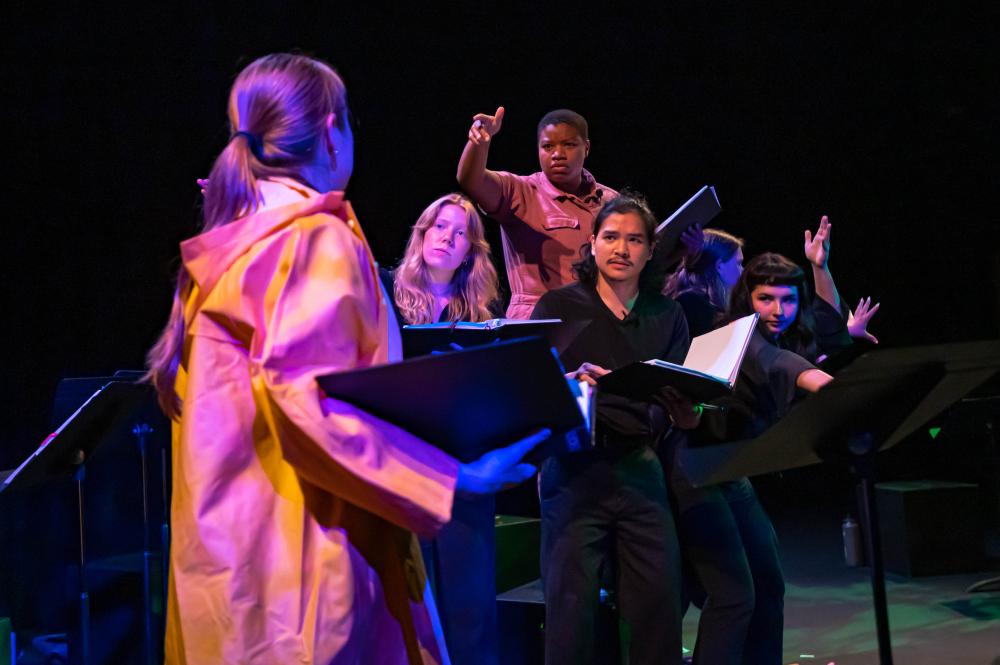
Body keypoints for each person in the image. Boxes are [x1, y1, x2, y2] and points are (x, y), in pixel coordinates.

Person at [145, 53, 545, 664]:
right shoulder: (309, 238)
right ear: (333, 129)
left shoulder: (232, 247)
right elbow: (311, 407)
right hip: (307, 578)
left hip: (233, 585)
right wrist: (458, 476)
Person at [665, 216, 865, 665]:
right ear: (747, 300)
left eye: (787, 300)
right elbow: (782, 364)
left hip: (731, 473)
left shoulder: (788, 329)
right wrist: (842, 395)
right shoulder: (740, 335)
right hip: (695, 473)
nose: (778, 309)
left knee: (767, 585)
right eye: (765, 299)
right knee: (733, 596)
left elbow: (828, 326)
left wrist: (819, 268)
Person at [530, 191, 694, 665]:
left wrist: (687, 414)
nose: (621, 248)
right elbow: (534, 387)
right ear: (594, 243)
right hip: (575, 468)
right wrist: (569, 383)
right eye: (611, 237)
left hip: (639, 468)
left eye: (634, 239)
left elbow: (677, 394)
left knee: (658, 606)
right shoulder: (560, 305)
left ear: (650, 250)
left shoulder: (667, 314)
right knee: (569, 611)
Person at [379, 192, 503, 665]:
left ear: (470, 252)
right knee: (407, 604)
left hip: (461, 465)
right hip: (397, 462)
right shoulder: (384, 291)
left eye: (460, 235)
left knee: (471, 610)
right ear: (422, 233)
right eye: (439, 227)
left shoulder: (481, 317)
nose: (447, 239)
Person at [457, 107, 617, 318]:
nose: (558, 154)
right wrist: (479, 144)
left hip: (599, 320)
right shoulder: (520, 192)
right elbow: (471, 180)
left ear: (586, 148)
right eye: (548, 146)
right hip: (539, 321)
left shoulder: (611, 201)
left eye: (569, 145)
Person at [664, 228, 745, 337]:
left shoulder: (700, 303)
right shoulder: (692, 305)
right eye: (739, 263)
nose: (742, 270)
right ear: (719, 266)